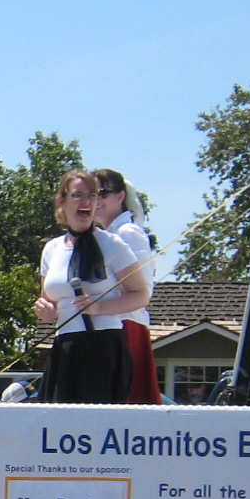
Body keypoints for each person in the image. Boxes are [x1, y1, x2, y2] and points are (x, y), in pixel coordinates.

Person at [34, 170, 152, 404]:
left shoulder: (112, 243)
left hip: (104, 345)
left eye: (92, 195)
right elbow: (48, 299)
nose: (86, 201)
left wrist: (99, 307)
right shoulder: (52, 249)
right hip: (65, 345)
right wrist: (44, 309)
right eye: (78, 195)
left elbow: (141, 295)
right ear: (62, 201)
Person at [92, 168, 162, 405]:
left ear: (120, 196)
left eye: (103, 193)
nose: (96, 201)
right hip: (108, 328)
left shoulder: (128, 232)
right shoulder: (102, 236)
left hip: (127, 326)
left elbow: (143, 291)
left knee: (130, 404)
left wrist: (96, 307)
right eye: (91, 194)